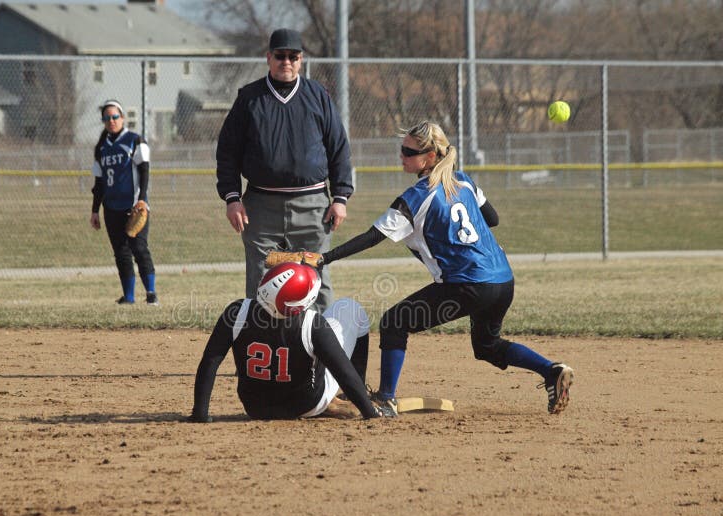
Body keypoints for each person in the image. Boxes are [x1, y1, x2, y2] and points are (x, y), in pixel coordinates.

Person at [315, 121, 575, 415]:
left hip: (469, 286)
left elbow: (371, 238)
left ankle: (385, 400)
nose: (401, 155)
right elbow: (492, 218)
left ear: (430, 157)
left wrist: (324, 258)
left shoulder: (415, 198)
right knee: (487, 347)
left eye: (408, 151)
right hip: (502, 281)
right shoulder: (463, 181)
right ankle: (551, 371)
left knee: (394, 322)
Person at [215, 28, 353, 312]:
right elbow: (227, 152)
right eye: (280, 55)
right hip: (260, 204)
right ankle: (260, 342)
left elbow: (338, 146)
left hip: (312, 203)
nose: (286, 61)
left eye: (293, 56)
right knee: (259, 277)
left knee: (317, 276)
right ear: (269, 57)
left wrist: (340, 198)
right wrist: (232, 198)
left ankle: (321, 349)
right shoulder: (249, 98)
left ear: (301, 59)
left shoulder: (317, 95)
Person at [190, 262, 395, 422]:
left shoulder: (236, 312)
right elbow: (344, 373)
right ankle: (355, 399)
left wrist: (200, 413)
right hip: (308, 404)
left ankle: (340, 402)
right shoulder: (312, 324)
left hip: (255, 408)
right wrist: (370, 412)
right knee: (350, 308)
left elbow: (210, 362)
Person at [90, 99, 158, 306]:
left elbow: (145, 170)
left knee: (139, 248)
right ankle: (128, 296)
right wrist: (94, 210)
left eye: (115, 116)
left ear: (122, 118)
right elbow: (99, 183)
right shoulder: (101, 147)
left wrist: (142, 199)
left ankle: (151, 293)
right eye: (107, 118)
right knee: (120, 251)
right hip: (111, 207)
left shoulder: (135, 140)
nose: (111, 121)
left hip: (134, 206)